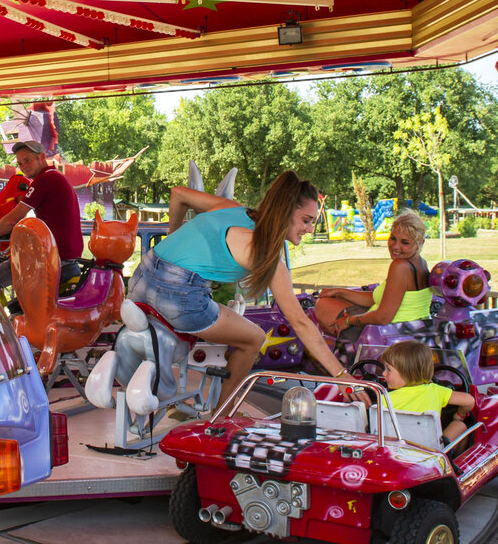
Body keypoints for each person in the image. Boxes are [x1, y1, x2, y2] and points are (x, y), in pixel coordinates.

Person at [128, 169, 350, 409]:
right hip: (178, 298)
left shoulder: (231, 208)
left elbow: (178, 194)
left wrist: (173, 234)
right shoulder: (264, 253)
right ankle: (223, 414)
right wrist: (342, 376)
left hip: (141, 278)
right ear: (285, 212)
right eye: (306, 220)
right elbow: (300, 323)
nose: (310, 229)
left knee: (219, 311)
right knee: (254, 338)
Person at [0, 140, 83, 290]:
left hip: (53, 257)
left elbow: (12, 219)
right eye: (20, 163)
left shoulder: (45, 179)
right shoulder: (55, 176)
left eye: (27, 160)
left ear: (41, 157)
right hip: (66, 256)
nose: (23, 166)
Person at [313, 211, 433, 336]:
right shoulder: (421, 263)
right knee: (336, 298)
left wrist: (348, 320)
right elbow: (382, 299)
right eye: (393, 238)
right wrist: (340, 292)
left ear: (420, 243)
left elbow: (383, 318)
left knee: (322, 303)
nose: (395, 246)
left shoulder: (400, 266)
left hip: (385, 334)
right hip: (411, 330)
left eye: (405, 242)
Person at [380, 340, 476, 444]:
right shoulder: (436, 391)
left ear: (409, 373)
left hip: (395, 449)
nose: (383, 373)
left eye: (388, 369)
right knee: (459, 425)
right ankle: (452, 454)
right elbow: (469, 401)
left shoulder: (384, 399)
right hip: (432, 450)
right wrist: (459, 415)